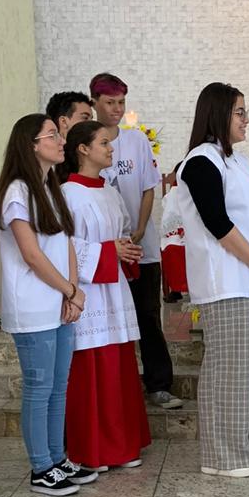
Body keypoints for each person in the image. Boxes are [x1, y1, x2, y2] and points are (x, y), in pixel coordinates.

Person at [177, 83, 249, 477]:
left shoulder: (238, 161)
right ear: (218, 114)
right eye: (240, 112)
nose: (246, 119)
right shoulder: (200, 162)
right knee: (228, 371)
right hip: (224, 281)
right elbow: (218, 224)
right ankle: (223, 457)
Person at [0, 114, 98, 497]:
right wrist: (69, 290)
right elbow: (32, 255)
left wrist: (71, 291)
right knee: (39, 387)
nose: (60, 140)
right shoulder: (17, 192)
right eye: (52, 135)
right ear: (31, 145)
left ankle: (57, 458)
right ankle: (41, 468)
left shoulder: (50, 186)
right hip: (33, 305)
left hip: (59, 302)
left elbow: (65, 241)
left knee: (58, 386)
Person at [59, 121, 152, 470]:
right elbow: (63, 245)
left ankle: (122, 447)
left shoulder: (110, 191)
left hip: (114, 289)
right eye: (103, 143)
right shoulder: (67, 194)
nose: (111, 148)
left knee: (119, 369)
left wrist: (125, 248)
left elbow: (122, 231)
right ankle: (91, 451)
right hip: (87, 293)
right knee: (91, 371)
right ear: (83, 149)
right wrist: (110, 251)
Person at [89, 72, 181, 411]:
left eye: (121, 102)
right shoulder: (87, 141)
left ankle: (159, 384)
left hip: (141, 246)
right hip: (105, 248)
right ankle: (120, 387)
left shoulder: (136, 141)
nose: (116, 109)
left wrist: (140, 229)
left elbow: (147, 187)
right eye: (110, 102)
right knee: (112, 318)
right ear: (94, 103)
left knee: (148, 315)